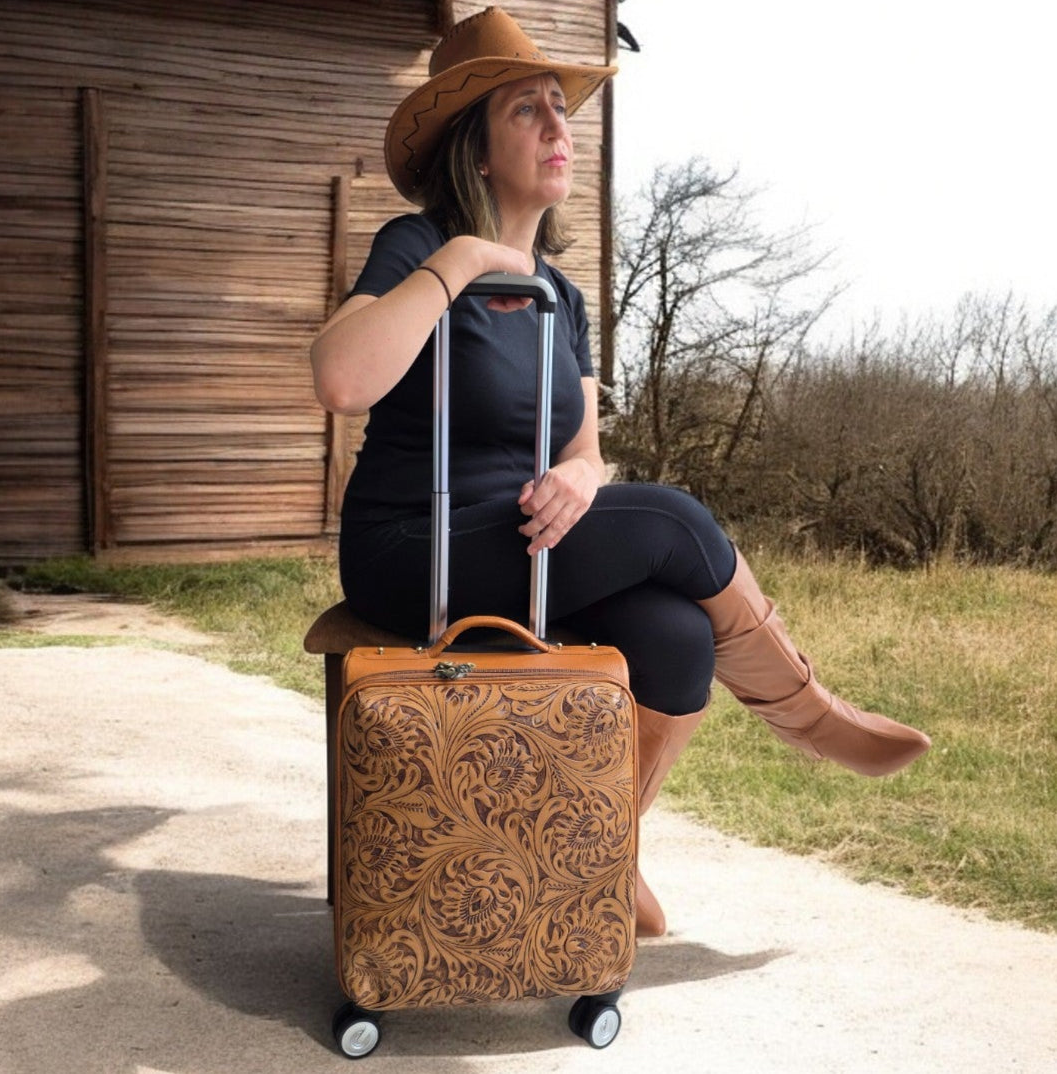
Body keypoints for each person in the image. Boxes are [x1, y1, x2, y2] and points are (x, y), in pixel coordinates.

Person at [310, 6, 930, 938]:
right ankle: (809, 712)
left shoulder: (563, 297)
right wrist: (468, 258)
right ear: (476, 150)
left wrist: (586, 481)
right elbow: (340, 378)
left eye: (564, 109)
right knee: (678, 523)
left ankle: (600, 848)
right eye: (531, 112)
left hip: (529, 540)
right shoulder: (418, 247)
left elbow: (584, 448)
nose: (563, 130)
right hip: (417, 545)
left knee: (677, 637)